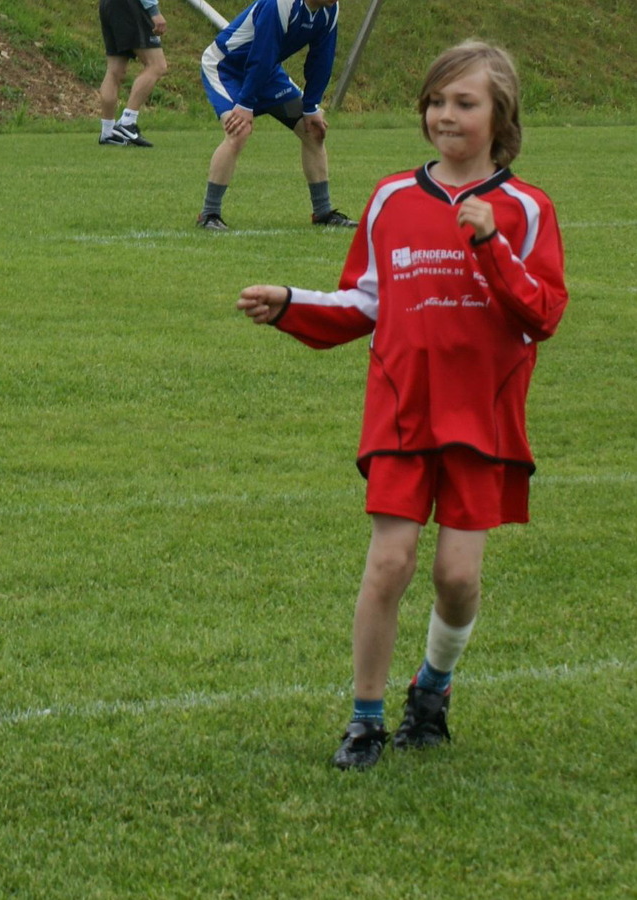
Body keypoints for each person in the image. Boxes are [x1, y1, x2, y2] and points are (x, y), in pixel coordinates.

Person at [236, 41, 568, 770]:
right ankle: (364, 718)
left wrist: (489, 244)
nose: (445, 116)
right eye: (435, 101)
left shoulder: (524, 209)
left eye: (464, 103)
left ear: (499, 115)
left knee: (456, 577)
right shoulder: (390, 198)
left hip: (481, 418)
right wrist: (291, 303)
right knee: (389, 562)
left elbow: (541, 312)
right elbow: (364, 301)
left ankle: (433, 688)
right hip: (400, 411)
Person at [196, 0, 356, 230]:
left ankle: (322, 212)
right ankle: (209, 214)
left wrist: (311, 107)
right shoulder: (280, 4)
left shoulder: (330, 9)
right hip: (225, 68)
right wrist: (245, 104)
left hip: (266, 72)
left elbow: (322, 58)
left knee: (313, 132)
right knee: (239, 131)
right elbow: (262, 52)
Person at [98, 0, 169, 147]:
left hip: (108, 5)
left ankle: (108, 132)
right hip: (131, 5)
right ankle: (127, 122)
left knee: (114, 70)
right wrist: (154, 11)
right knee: (157, 65)